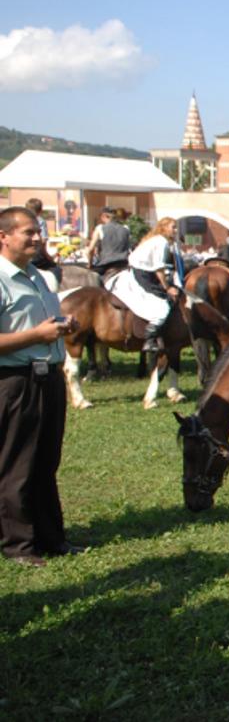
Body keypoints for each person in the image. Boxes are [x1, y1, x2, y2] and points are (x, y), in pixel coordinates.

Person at [0, 206, 81, 567]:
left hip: (48, 377)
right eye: (28, 232)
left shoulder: (37, 276)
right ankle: (18, 545)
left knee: (46, 461)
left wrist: (62, 326)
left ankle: (51, 537)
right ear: (4, 236)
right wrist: (37, 334)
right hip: (15, 381)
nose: (37, 238)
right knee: (17, 463)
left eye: (38, 232)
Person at [126, 217, 182, 352]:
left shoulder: (155, 239)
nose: (175, 230)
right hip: (142, 275)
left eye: (176, 227)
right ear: (164, 228)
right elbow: (158, 268)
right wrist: (167, 288)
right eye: (173, 227)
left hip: (141, 271)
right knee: (162, 307)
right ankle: (149, 340)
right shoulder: (161, 242)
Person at [84, 209, 132, 276]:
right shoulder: (126, 228)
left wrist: (90, 264)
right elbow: (130, 248)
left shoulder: (100, 228)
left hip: (107, 264)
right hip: (124, 263)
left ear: (104, 216)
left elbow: (90, 250)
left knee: (91, 280)